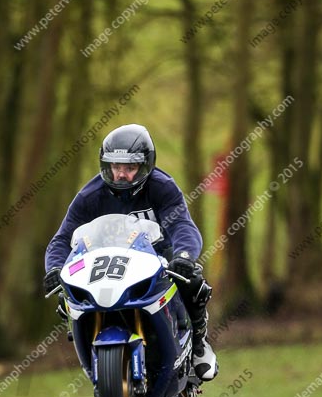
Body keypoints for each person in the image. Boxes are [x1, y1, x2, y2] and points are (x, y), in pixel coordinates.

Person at [44, 123, 218, 381]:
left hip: (157, 258)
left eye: (129, 168)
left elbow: (183, 226)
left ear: (146, 165)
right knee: (66, 296)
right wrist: (55, 268)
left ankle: (200, 342)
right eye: (115, 167)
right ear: (106, 165)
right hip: (105, 264)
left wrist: (184, 257)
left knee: (192, 281)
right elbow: (62, 239)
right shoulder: (89, 196)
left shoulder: (162, 187)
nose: (121, 175)